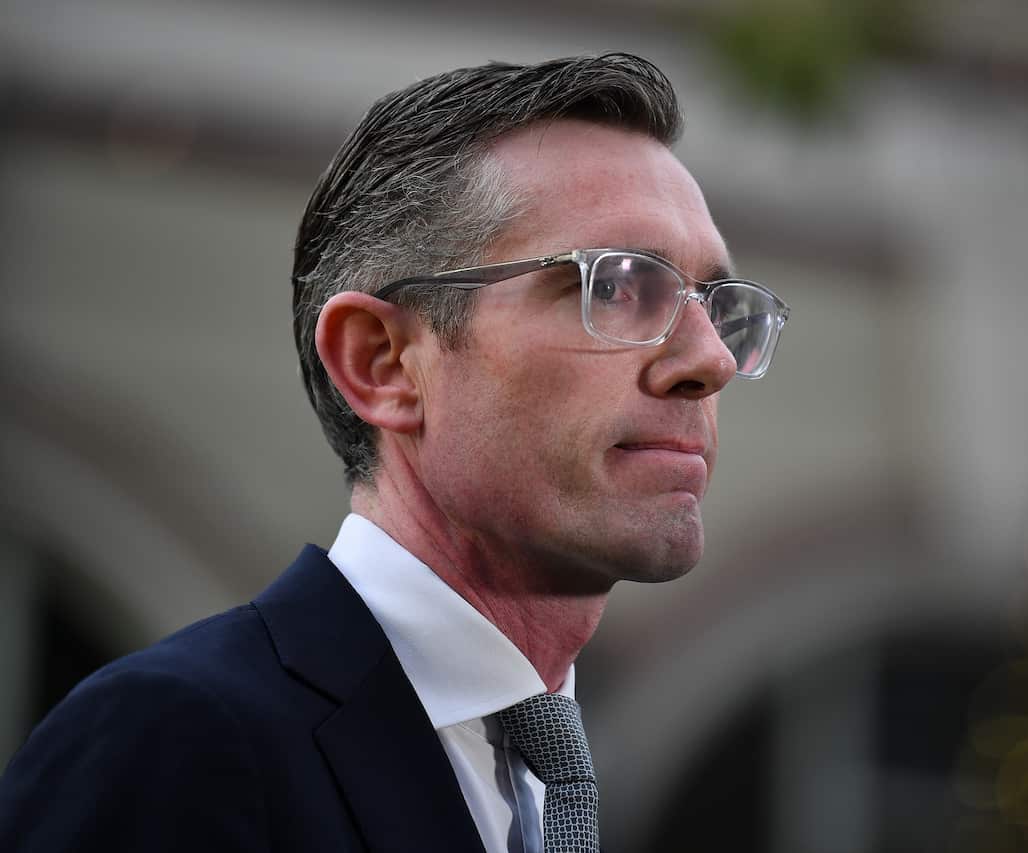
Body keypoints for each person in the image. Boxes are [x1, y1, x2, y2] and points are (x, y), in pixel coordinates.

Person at [0, 53, 789, 852]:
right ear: (382, 363)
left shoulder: (554, 793)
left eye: (718, 307)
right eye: (617, 285)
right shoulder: (175, 742)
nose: (711, 360)